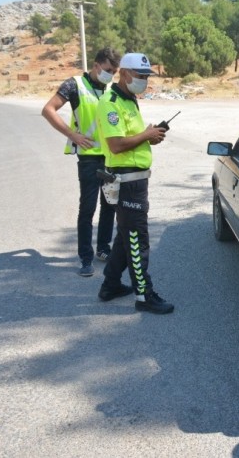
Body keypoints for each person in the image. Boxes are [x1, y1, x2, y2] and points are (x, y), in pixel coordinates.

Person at [95, 52, 174, 314]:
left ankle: (111, 285)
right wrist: (145, 134)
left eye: (147, 76)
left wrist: (148, 137)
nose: (144, 81)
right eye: (141, 76)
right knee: (137, 238)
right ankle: (144, 295)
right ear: (125, 73)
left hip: (136, 181)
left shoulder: (130, 100)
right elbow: (116, 145)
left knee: (125, 236)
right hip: (126, 182)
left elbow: (132, 138)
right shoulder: (111, 102)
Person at [41, 47, 121, 277]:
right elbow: (48, 110)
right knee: (88, 208)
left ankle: (103, 249)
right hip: (89, 158)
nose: (110, 75)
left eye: (114, 71)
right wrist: (72, 134)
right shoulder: (74, 84)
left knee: (110, 205)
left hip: (111, 156)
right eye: (107, 70)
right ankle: (85, 258)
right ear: (95, 65)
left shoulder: (110, 88)